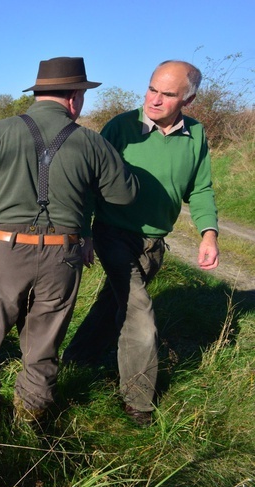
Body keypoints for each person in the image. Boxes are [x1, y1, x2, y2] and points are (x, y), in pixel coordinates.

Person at [0, 57, 138, 433]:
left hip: (4, 254)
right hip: (64, 255)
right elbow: (124, 195)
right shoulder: (92, 142)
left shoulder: (0, 132)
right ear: (75, 97)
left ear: (38, 92)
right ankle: (30, 422)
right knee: (42, 347)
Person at [61, 60, 220, 427]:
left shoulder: (195, 135)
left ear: (189, 99)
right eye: (152, 89)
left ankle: (77, 359)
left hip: (154, 242)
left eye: (167, 94)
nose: (155, 100)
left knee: (111, 305)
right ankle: (138, 402)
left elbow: (200, 189)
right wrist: (85, 231)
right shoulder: (121, 127)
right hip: (114, 233)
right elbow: (88, 182)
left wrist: (208, 233)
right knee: (139, 315)